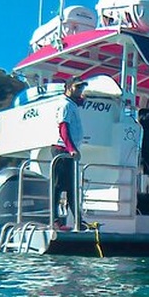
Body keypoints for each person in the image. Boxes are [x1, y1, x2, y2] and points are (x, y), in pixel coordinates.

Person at [52, 76, 86, 228]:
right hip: (62, 150)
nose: (80, 90)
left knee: (72, 188)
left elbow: (79, 102)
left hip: (68, 151)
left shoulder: (72, 104)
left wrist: (82, 100)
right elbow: (63, 128)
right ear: (69, 88)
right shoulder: (64, 105)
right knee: (58, 187)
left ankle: (78, 221)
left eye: (81, 88)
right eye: (77, 87)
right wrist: (71, 149)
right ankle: (55, 221)